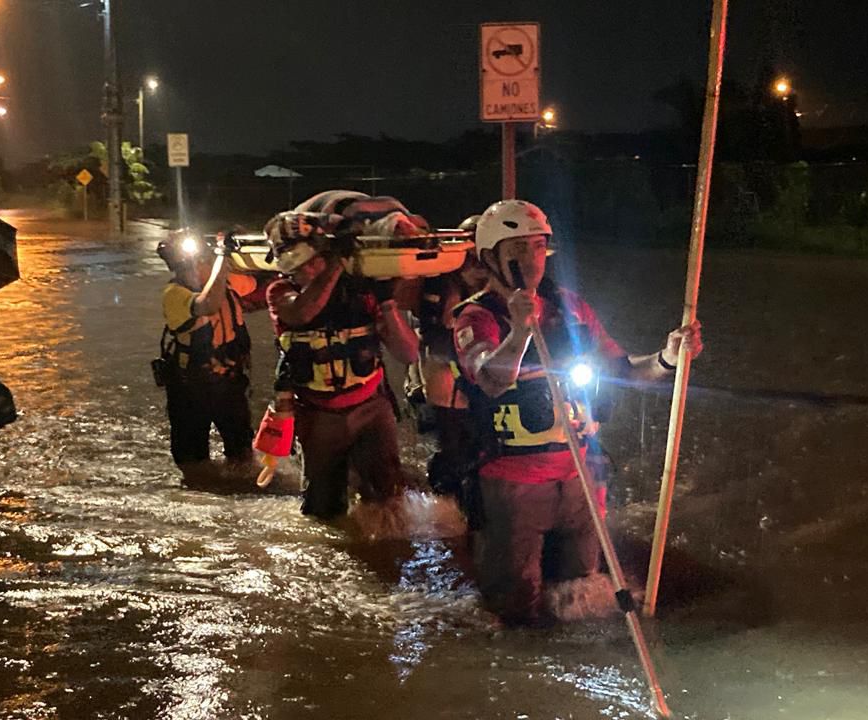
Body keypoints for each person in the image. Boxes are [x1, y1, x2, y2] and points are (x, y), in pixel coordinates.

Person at [452, 199, 703, 626]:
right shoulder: (475, 317)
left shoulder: (570, 308)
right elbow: (491, 378)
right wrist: (518, 330)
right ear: (490, 258)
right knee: (515, 604)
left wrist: (667, 359)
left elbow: (621, 369)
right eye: (517, 249)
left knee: (580, 593)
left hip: (578, 477)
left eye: (537, 247)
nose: (530, 260)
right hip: (514, 483)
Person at [265, 210, 420, 519]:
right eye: (296, 265)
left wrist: (388, 303)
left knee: (387, 499)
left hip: (371, 407)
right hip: (319, 414)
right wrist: (336, 261)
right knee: (323, 508)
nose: (304, 270)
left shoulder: (361, 291)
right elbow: (302, 314)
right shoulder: (281, 292)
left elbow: (408, 353)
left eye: (311, 261)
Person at [157, 231, 266, 474]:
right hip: (190, 389)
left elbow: (261, 283)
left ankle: (243, 494)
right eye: (204, 259)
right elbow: (208, 304)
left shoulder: (226, 283)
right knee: (193, 464)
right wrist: (221, 255)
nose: (207, 263)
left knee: (242, 455)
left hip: (228, 382)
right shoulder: (174, 294)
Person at [405, 215, 488, 508]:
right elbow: (447, 319)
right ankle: (447, 501)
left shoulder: (497, 280)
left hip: (479, 369)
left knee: (480, 438)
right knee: (453, 440)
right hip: (442, 368)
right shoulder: (439, 278)